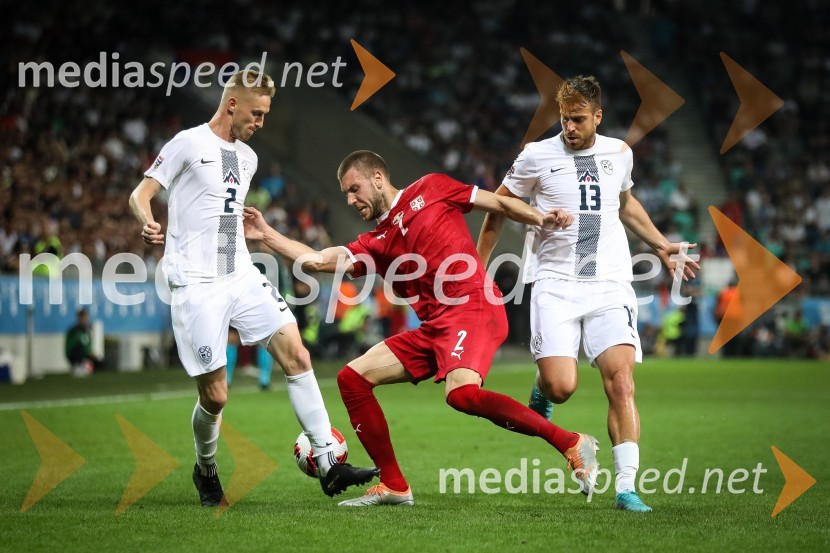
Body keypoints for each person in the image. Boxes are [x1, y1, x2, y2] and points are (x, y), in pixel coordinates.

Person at [243, 150, 600, 508]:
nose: (351, 200)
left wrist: (541, 218)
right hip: (435, 328)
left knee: (461, 394)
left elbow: (499, 203)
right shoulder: (375, 243)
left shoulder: (431, 188)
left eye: (355, 189)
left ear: (378, 177)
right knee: (352, 379)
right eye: (346, 195)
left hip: (472, 305)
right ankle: (394, 485)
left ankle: (571, 442)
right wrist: (266, 234)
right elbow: (319, 260)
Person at [128, 70, 378, 507]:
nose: (261, 122)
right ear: (231, 105)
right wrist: (147, 221)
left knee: (297, 353)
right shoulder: (188, 143)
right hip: (195, 281)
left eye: (266, 114)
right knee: (216, 396)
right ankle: (205, 469)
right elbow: (141, 193)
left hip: (239, 272)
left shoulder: (247, 159)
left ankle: (328, 461)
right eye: (257, 113)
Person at [476, 75, 700, 512]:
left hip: (610, 282)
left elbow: (626, 204)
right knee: (562, 388)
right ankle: (542, 388)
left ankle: (627, 488)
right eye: (564, 120)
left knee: (621, 383)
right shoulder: (536, 156)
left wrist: (661, 245)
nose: (570, 128)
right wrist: (475, 267)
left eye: (578, 120)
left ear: (598, 116)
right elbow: (496, 208)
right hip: (554, 285)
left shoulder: (619, 152)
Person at [65, 308, 99, 377]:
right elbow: (70, 347)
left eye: (86, 317)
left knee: (99, 363)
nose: (85, 319)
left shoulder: (88, 330)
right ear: (79, 319)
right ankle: (78, 367)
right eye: (83, 318)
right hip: (74, 355)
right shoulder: (74, 331)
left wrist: (91, 354)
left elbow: (88, 345)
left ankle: (87, 367)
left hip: (85, 355)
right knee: (79, 348)